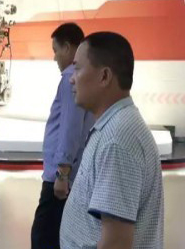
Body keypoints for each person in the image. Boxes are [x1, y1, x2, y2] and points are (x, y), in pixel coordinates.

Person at [60, 32, 164, 249]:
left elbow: (116, 243)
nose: (71, 78)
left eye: (78, 69)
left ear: (104, 76)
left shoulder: (117, 140)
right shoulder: (114, 127)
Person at [31, 23, 94, 249]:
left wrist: (62, 173)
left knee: (43, 237)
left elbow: (70, 127)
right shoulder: (81, 78)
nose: (55, 57)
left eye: (56, 50)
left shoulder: (70, 79)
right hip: (69, 175)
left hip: (60, 179)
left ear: (67, 48)